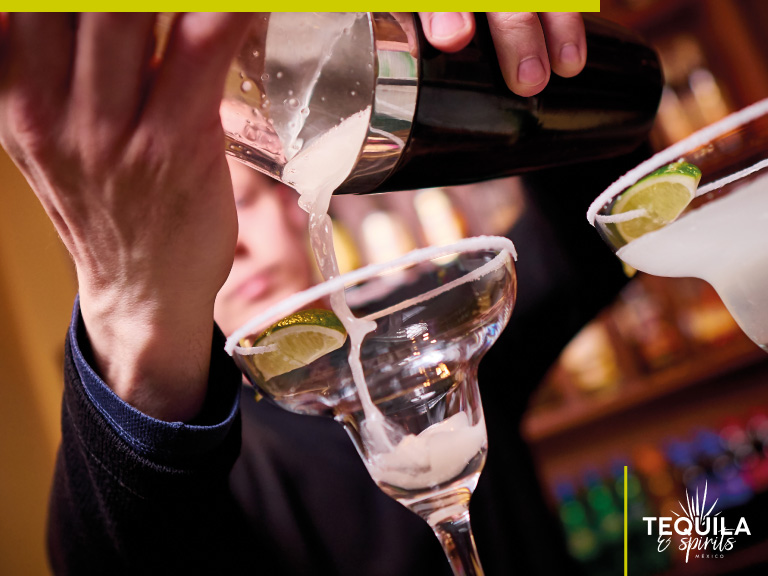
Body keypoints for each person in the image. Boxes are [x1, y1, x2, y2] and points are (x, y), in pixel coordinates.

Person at [0, 12, 633, 575]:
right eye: (195, 213)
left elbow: (593, 244)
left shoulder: (430, 332)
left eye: (240, 201)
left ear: (296, 194)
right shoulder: (218, 459)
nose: (235, 246)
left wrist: (534, 57)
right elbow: (114, 555)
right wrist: (128, 305)